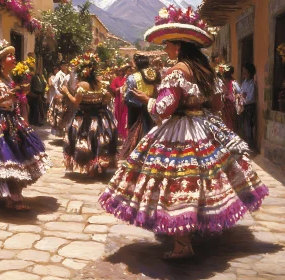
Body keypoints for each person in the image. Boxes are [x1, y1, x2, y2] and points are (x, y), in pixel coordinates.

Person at [99, 6, 268, 260]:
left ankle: (182, 243)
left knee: (177, 180)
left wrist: (148, 101)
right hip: (203, 128)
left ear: (178, 46)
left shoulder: (177, 71)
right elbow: (218, 105)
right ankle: (191, 232)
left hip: (179, 132)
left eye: (168, 44)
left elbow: (164, 109)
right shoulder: (205, 71)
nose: (165, 48)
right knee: (202, 179)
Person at [0, 39, 51, 211]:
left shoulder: (8, 79)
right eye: (9, 56)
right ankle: (9, 198)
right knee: (3, 158)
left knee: (14, 158)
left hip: (11, 121)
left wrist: (17, 96)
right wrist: (7, 96)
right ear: (0, 61)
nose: (14, 59)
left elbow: (11, 100)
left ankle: (6, 195)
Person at [60, 52, 118, 176]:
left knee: (85, 140)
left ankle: (89, 167)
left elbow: (76, 102)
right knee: (99, 141)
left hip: (84, 118)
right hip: (100, 117)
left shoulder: (82, 86)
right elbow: (107, 98)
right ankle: (98, 166)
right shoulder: (100, 84)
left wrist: (66, 92)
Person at [120, 54, 160, 158]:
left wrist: (127, 100)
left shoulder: (132, 78)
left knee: (135, 134)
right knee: (152, 131)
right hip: (151, 107)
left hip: (136, 110)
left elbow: (128, 97)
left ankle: (136, 157)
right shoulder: (154, 75)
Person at [47, 61, 71, 137]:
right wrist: (58, 94)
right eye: (64, 65)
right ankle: (60, 131)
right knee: (60, 114)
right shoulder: (59, 74)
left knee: (65, 114)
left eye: (66, 65)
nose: (66, 66)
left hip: (65, 96)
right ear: (61, 66)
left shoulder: (66, 74)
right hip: (60, 96)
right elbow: (54, 84)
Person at [218, 64, 244, 131]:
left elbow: (238, 93)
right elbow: (239, 92)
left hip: (227, 105)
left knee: (228, 122)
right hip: (229, 106)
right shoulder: (233, 82)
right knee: (230, 122)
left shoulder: (223, 83)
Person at [110, 64, 131, 141]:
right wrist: (118, 89)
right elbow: (113, 88)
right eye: (119, 71)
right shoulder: (115, 79)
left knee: (124, 114)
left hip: (124, 99)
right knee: (117, 113)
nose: (121, 73)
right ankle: (118, 130)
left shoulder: (126, 79)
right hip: (118, 98)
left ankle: (123, 131)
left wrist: (123, 89)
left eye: (122, 71)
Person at [241, 62, 257, 149]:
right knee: (244, 126)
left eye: (245, 72)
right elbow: (242, 92)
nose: (244, 74)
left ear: (250, 72)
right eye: (243, 72)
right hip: (244, 106)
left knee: (248, 126)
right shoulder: (245, 82)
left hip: (249, 107)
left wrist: (243, 100)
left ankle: (250, 146)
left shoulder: (252, 84)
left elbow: (250, 98)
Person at [28, 60, 47, 126]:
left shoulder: (40, 77)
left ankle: (36, 121)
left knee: (38, 109)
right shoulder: (34, 77)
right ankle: (34, 121)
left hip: (39, 94)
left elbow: (43, 85)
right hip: (34, 94)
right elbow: (32, 86)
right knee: (34, 109)